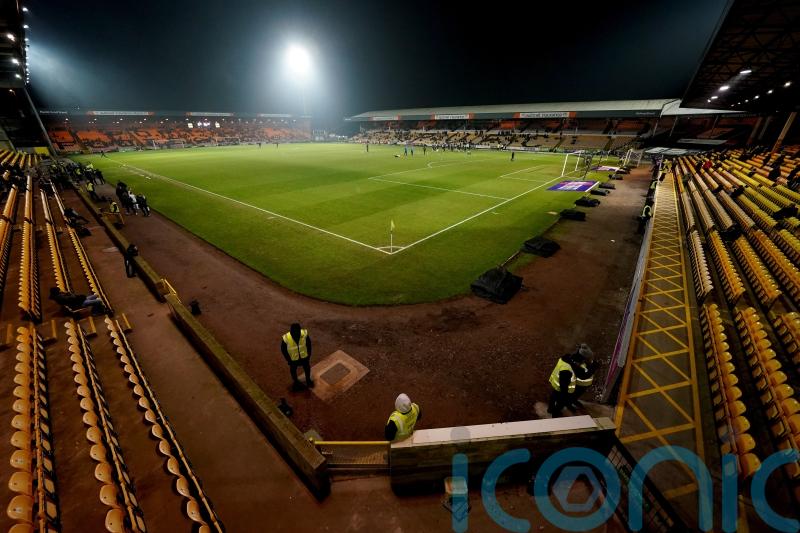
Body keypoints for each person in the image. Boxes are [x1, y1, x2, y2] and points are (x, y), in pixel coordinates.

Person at [281, 323, 314, 390]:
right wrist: (288, 359)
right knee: (293, 370)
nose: (296, 334)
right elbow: (283, 349)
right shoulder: (286, 338)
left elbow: (309, 344)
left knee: (307, 368)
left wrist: (309, 355)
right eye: (294, 333)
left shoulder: (304, 334)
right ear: (291, 332)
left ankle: (308, 380)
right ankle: (296, 382)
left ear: (300, 330)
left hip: (304, 357)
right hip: (293, 359)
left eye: (298, 332)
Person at [565, 344, 599, 409]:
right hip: (578, 384)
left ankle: (573, 400)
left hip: (583, 385)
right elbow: (583, 376)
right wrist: (593, 368)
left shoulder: (582, 358)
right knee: (572, 395)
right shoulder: (576, 364)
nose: (591, 360)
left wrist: (592, 365)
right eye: (589, 358)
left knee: (576, 395)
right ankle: (568, 404)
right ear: (584, 358)